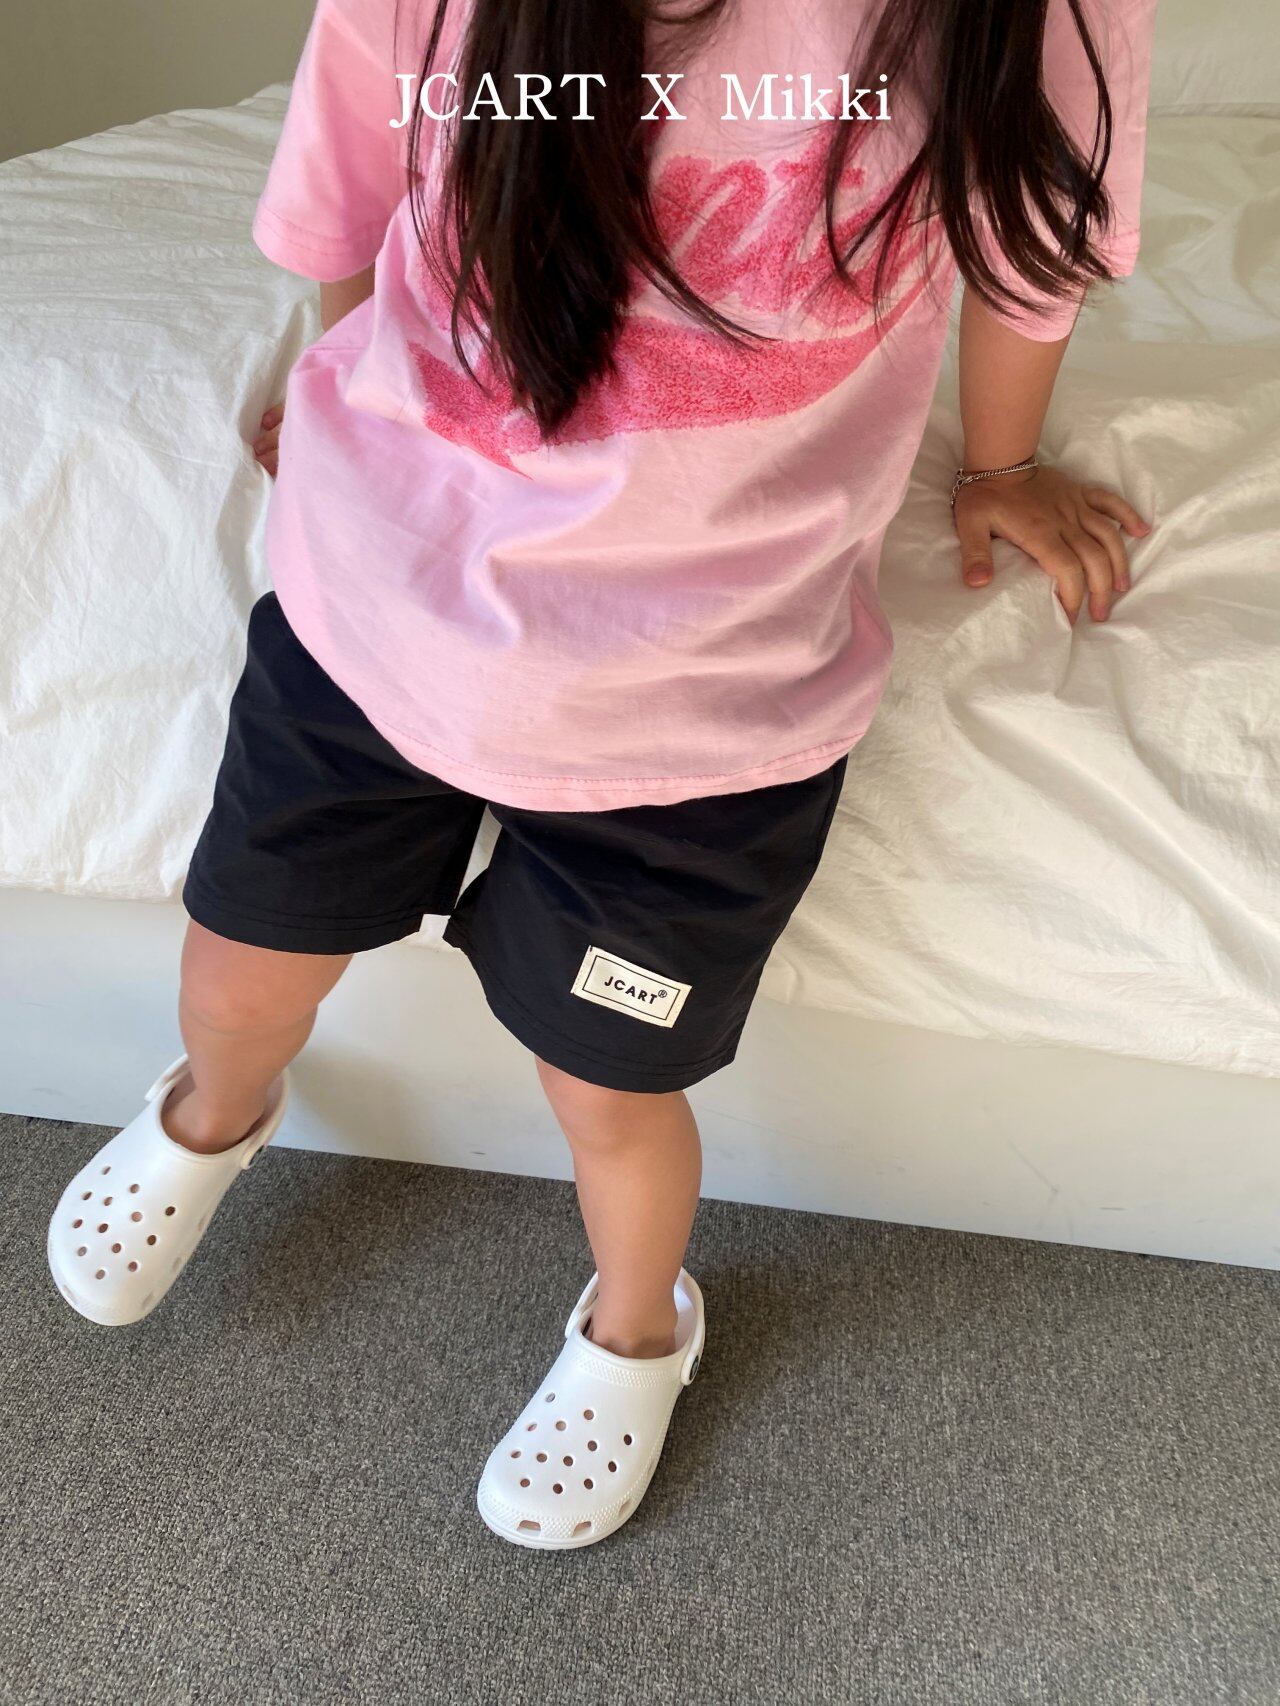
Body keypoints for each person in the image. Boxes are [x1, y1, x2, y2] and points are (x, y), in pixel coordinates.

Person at [47, 0, 1156, 1548]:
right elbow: (353, 162)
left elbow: (1034, 238)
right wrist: (336, 356)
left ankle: (641, 1324)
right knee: (239, 965)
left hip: (709, 700)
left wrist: (1001, 461)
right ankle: (213, 1111)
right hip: (378, 607)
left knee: (613, 1089)